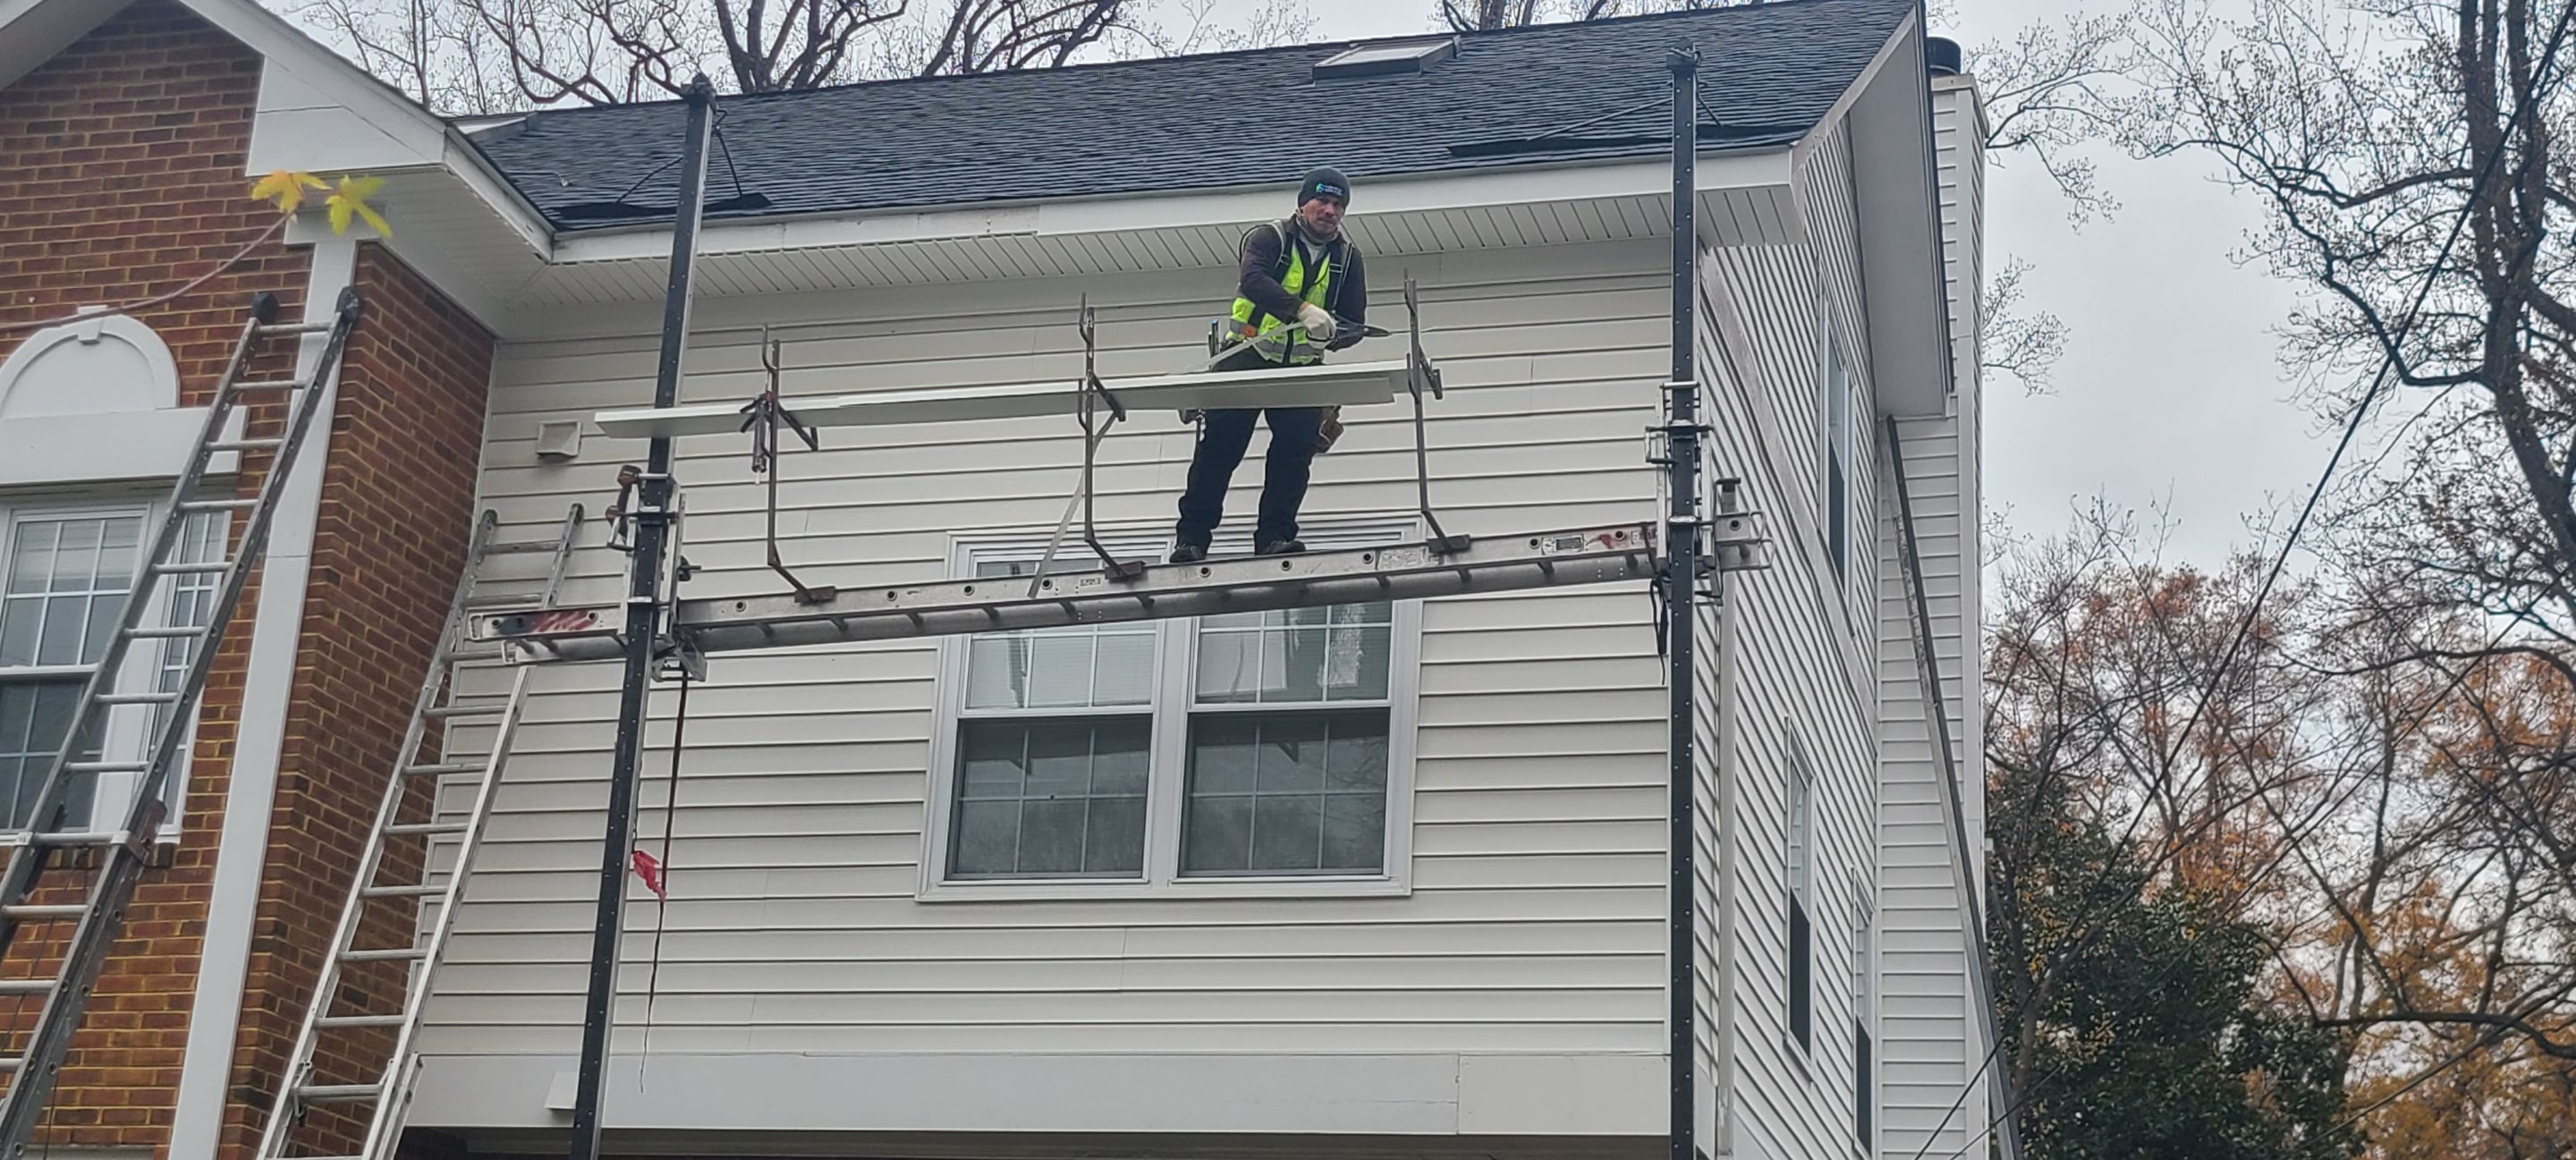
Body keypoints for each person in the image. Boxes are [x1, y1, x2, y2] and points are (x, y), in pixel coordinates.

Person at [1170, 167, 1369, 564]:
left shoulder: (1348, 259)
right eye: (1322, 201)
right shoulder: (1269, 238)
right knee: (1219, 452)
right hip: (1245, 356)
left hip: (1302, 366)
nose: (1329, 210)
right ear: (1302, 203)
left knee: (1294, 455)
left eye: (1337, 204)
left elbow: (1355, 323)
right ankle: (1191, 541)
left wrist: (1331, 336)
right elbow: (1253, 281)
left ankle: (1275, 538)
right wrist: (1303, 309)